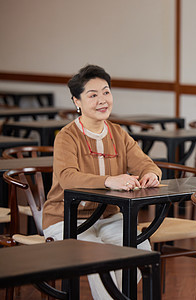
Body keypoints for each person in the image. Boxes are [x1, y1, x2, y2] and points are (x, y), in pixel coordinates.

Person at [43, 64, 162, 299]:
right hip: (65, 219)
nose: (102, 100)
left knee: (141, 250)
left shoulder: (118, 133)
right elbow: (67, 177)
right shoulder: (66, 136)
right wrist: (109, 181)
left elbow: (146, 164)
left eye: (106, 92)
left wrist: (151, 174)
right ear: (76, 101)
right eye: (93, 95)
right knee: (98, 260)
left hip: (108, 216)